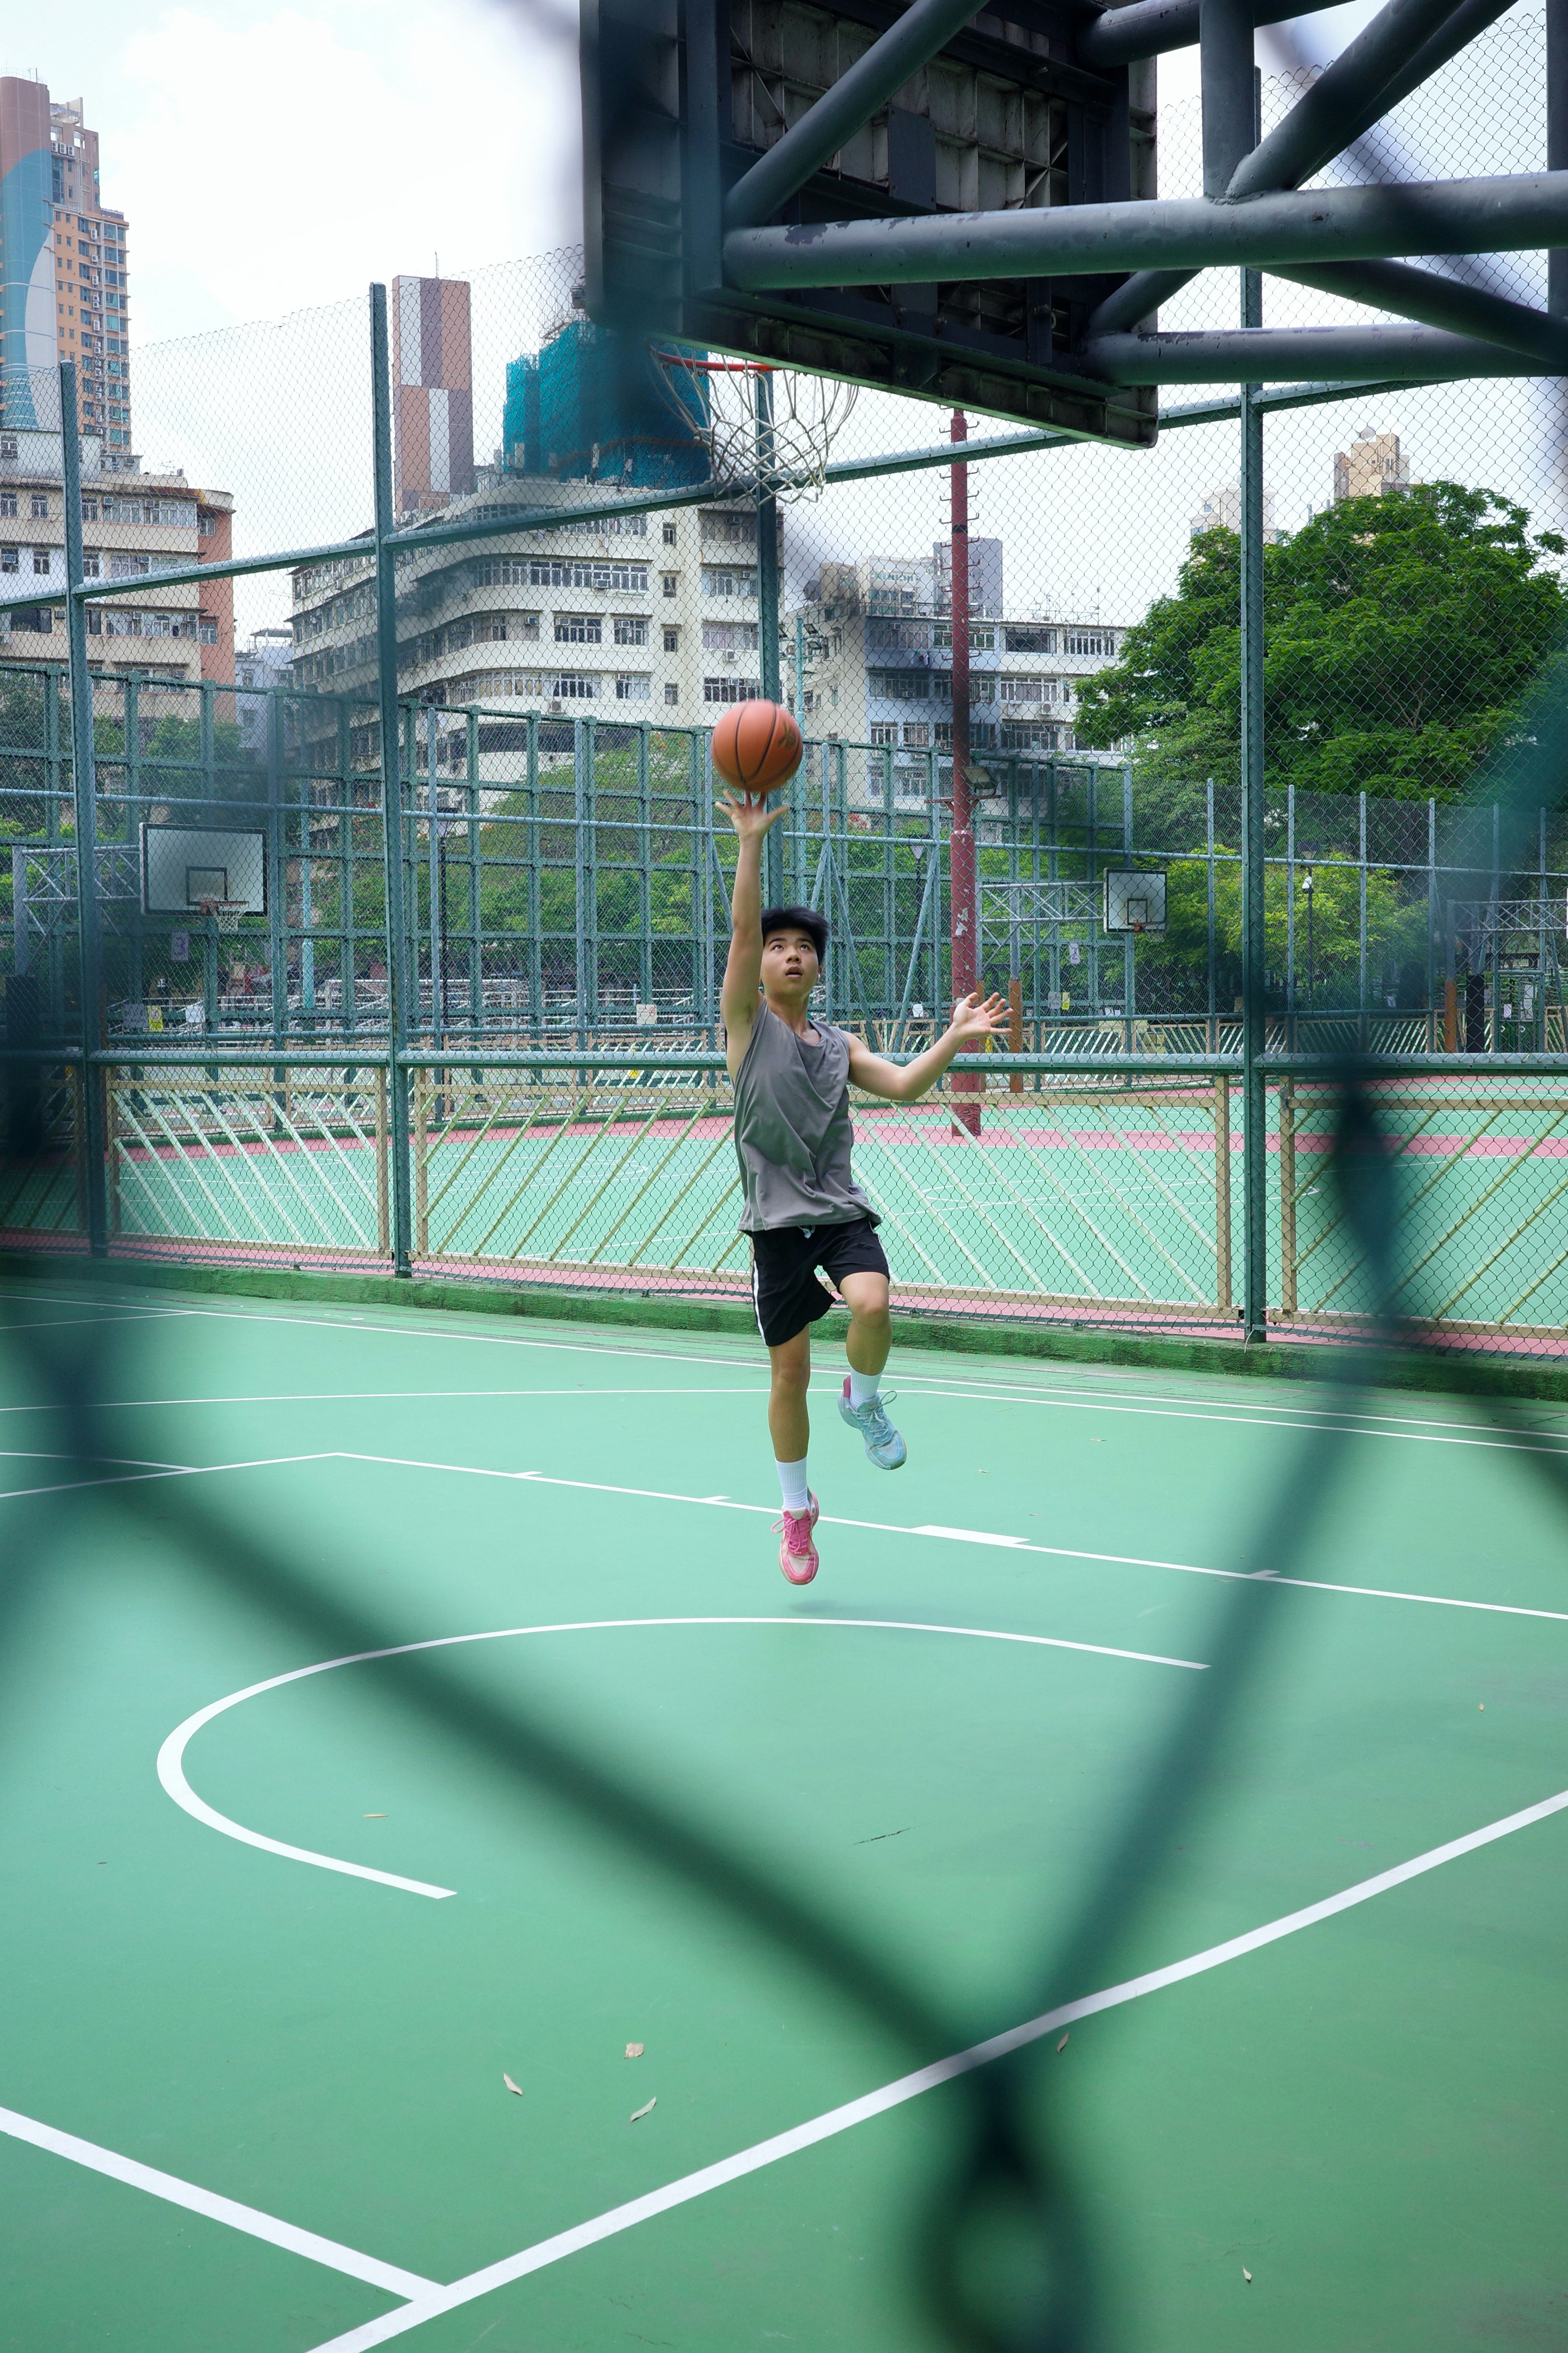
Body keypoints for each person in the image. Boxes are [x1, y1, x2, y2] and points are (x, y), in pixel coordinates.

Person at [718, 785, 1007, 1585]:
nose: (788, 953)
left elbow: (909, 1086)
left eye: (802, 947)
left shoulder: (837, 1044)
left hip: (837, 1210)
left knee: (874, 1302)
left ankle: (866, 1398)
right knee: (787, 1375)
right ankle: (795, 1509)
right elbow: (740, 935)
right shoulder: (746, 1028)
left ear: (816, 966)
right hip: (774, 1224)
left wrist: (950, 1035)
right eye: (777, 945)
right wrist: (749, 841)